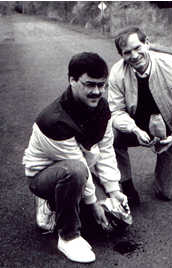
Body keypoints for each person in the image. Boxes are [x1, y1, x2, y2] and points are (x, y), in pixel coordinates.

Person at [22, 52, 128, 264]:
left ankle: (57, 204)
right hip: (44, 176)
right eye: (89, 84)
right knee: (76, 175)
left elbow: (106, 149)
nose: (97, 91)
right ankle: (67, 236)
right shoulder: (52, 120)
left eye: (102, 85)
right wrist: (94, 202)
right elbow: (78, 165)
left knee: (117, 213)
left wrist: (114, 190)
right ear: (72, 80)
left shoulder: (102, 107)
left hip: (79, 165)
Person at [108, 27, 172, 206]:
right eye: (127, 52)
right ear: (121, 55)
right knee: (111, 133)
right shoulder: (117, 73)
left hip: (171, 130)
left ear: (147, 43)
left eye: (137, 48)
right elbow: (116, 111)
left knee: (166, 193)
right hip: (136, 128)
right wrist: (134, 129)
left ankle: (166, 164)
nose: (134, 56)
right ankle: (125, 183)